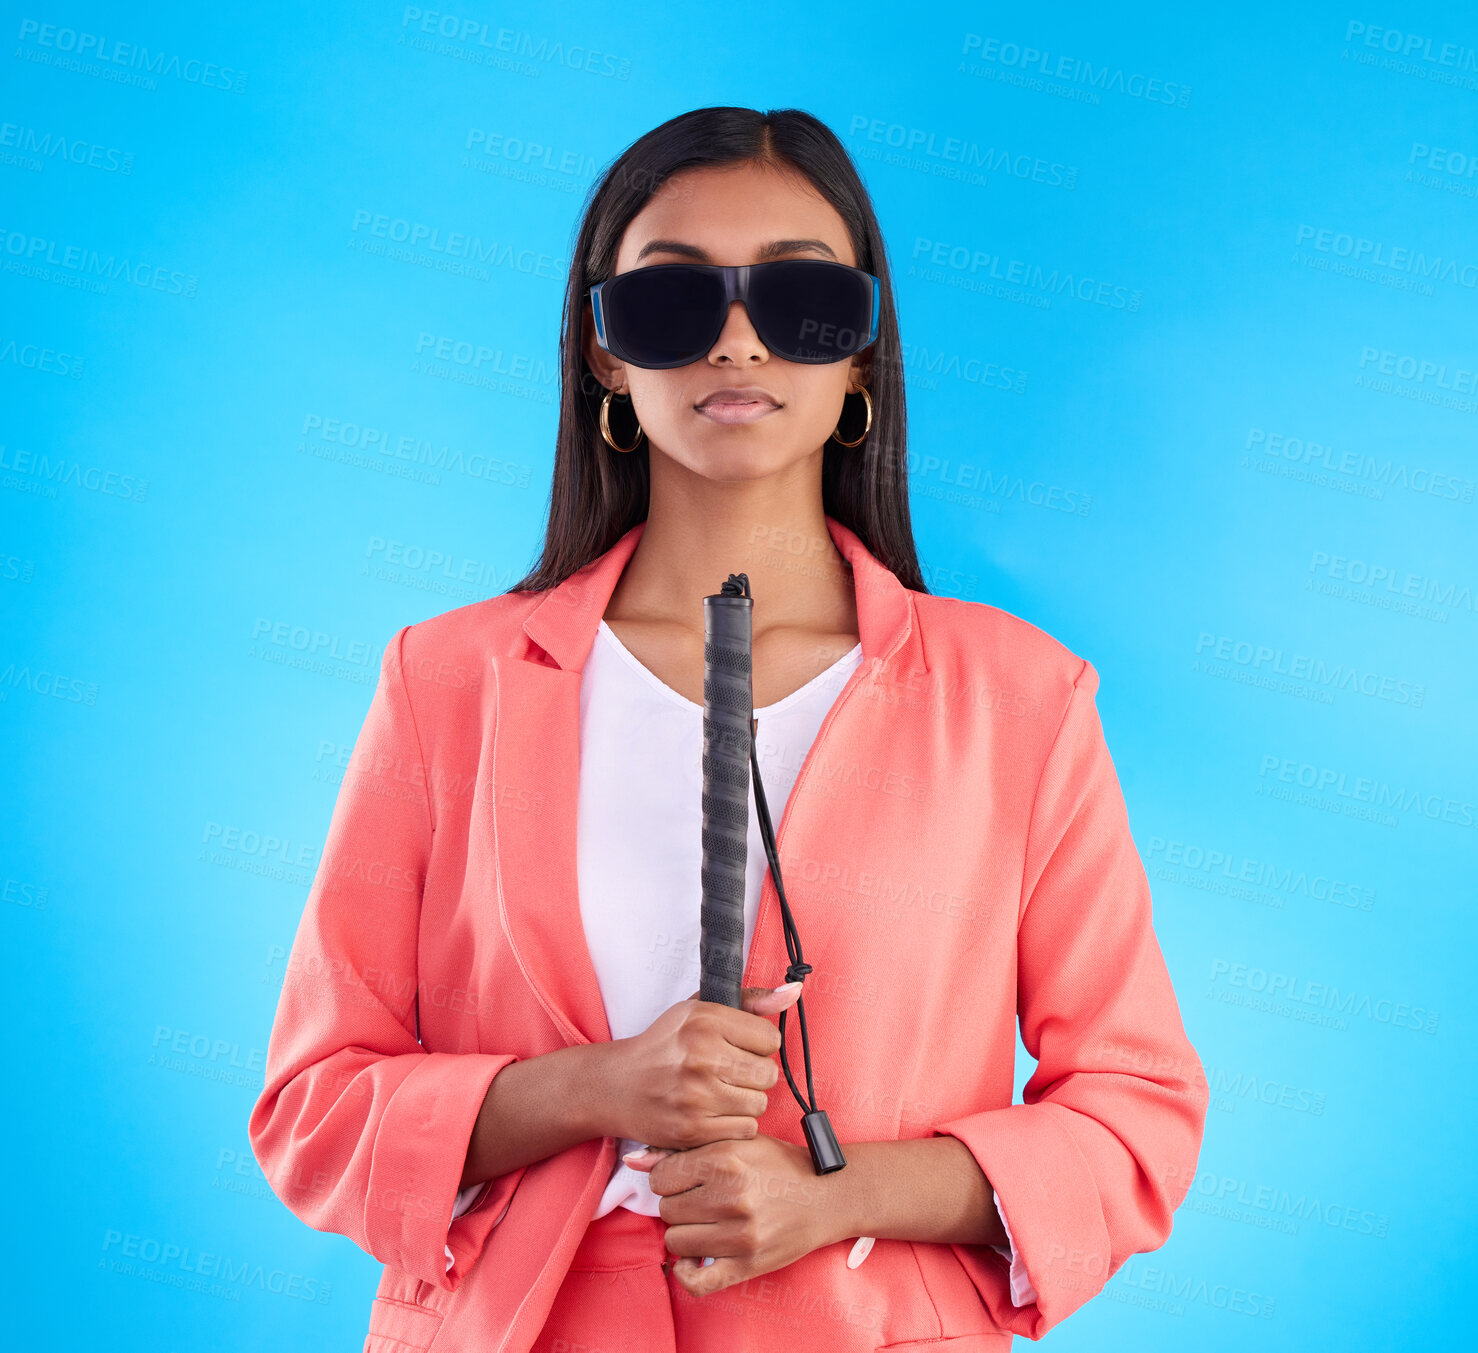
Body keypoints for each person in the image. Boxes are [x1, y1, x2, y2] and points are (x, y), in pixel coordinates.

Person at [248, 106, 1208, 1353]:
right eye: (669, 302)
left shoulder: (1017, 701)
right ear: (603, 352)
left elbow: (1136, 1118)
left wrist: (841, 1194)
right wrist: (598, 1087)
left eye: (800, 299)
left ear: (861, 351)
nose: (738, 339)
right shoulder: (448, 684)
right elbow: (314, 1108)